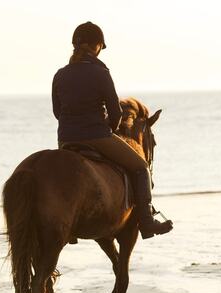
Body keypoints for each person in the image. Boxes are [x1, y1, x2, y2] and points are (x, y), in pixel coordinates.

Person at [52, 21, 173, 239]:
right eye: (100, 46)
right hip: (96, 136)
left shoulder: (60, 74)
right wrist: (106, 128)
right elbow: (116, 113)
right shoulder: (100, 72)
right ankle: (146, 222)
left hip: (66, 140)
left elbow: (57, 112)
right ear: (96, 45)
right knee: (140, 166)